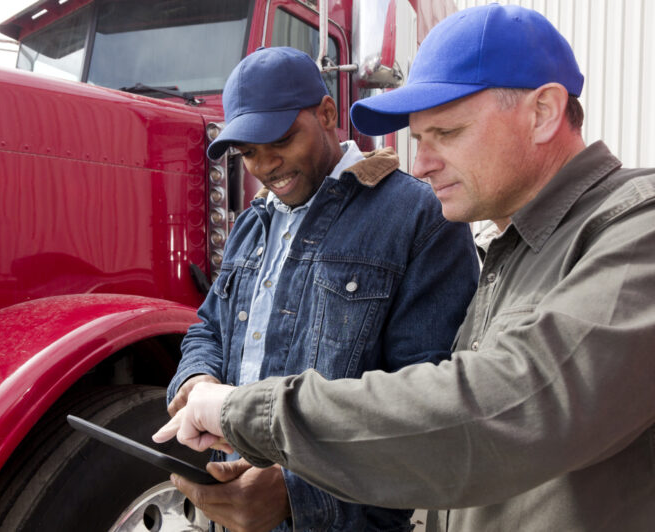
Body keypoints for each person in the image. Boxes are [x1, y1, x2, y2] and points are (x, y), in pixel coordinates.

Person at [154, 5, 655, 531]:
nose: (420, 164)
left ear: (543, 112)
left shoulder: (636, 229)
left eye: (449, 132)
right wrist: (204, 385)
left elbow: (495, 408)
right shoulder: (518, 249)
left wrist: (244, 416)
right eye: (419, 138)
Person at [165, 46, 479, 531]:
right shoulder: (252, 223)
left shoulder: (420, 216)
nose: (267, 166)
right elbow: (208, 326)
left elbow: (426, 408)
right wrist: (197, 381)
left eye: (281, 141)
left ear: (328, 113)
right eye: (248, 152)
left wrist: (295, 493)